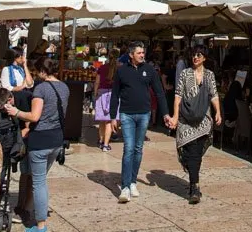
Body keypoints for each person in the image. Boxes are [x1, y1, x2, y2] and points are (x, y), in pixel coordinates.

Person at [5, 56, 69, 232]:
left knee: (39, 183)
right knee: (39, 180)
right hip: (57, 139)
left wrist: (16, 112)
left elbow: (34, 116)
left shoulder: (41, 88)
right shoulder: (64, 87)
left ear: (42, 71)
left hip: (41, 139)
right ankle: (26, 208)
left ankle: (40, 226)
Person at [109, 41, 172, 203]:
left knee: (138, 149)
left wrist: (165, 113)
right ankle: (124, 187)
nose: (142, 55)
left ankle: (132, 182)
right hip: (126, 115)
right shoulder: (121, 71)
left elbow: (159, 92)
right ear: (131, 55)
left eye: (143, 52)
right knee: (129, 148)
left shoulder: (149, 70)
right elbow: (115, 95)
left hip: (144, 114)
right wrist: (113, 116)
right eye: (139, 53)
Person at [169, 43, 221, 203]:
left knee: (196, 153)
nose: (195, 57)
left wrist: (218, 112)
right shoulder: (185, 74)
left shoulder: (209, 75)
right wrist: (175, 116)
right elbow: (178, 96)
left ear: (204, 58)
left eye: (199, 55)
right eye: (193, 54)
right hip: (186, 119)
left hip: (203, 120)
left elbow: (214, 94)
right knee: (190, 151)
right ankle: (195, 186)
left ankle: (194, 186)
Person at [94, 48, 119, 151]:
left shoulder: (102, 67)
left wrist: (95, 93)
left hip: (101, 93)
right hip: (114, 94)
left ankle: (100, 141)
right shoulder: (119, 69)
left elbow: (97, 82)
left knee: (102, 120)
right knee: (109, 120)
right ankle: (106, 145)